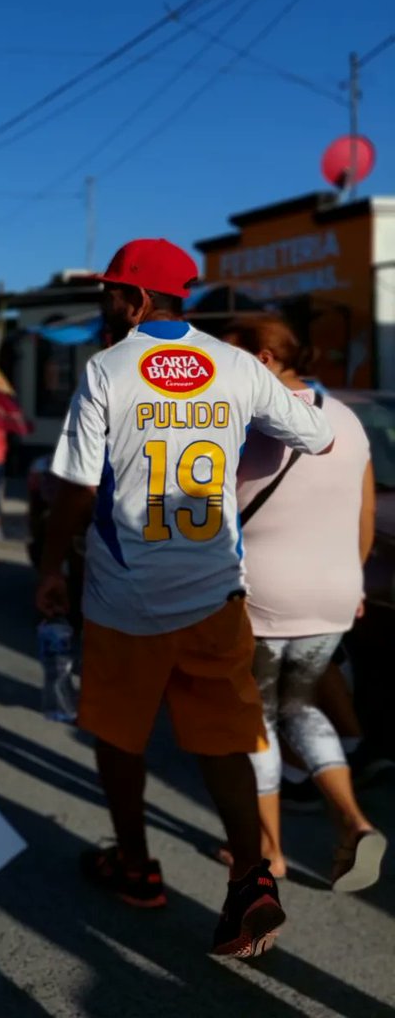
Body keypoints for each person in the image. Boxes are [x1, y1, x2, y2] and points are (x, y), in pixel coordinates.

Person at [35, 238, 334, 959]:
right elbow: (317, 435)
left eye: (112, 291)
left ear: (135, 299)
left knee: (120, 734)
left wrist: (48, 564)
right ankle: (252, 880)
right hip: (213, 592)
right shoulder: (237, 367)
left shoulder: (106, 369)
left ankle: (135, 867)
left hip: (123, 597)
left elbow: (75, 490)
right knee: (224, 740)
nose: (107, 303)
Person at [223, 316, 386, 892]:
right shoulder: (346, 416)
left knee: (259, 717)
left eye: (230, 353)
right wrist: (355, 582)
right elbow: (364, 513)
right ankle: (354, 821)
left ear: (263, 360)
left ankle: (271, 854)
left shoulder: (247, 418)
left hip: (263, 591)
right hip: (337, 589)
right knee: (299, 704)